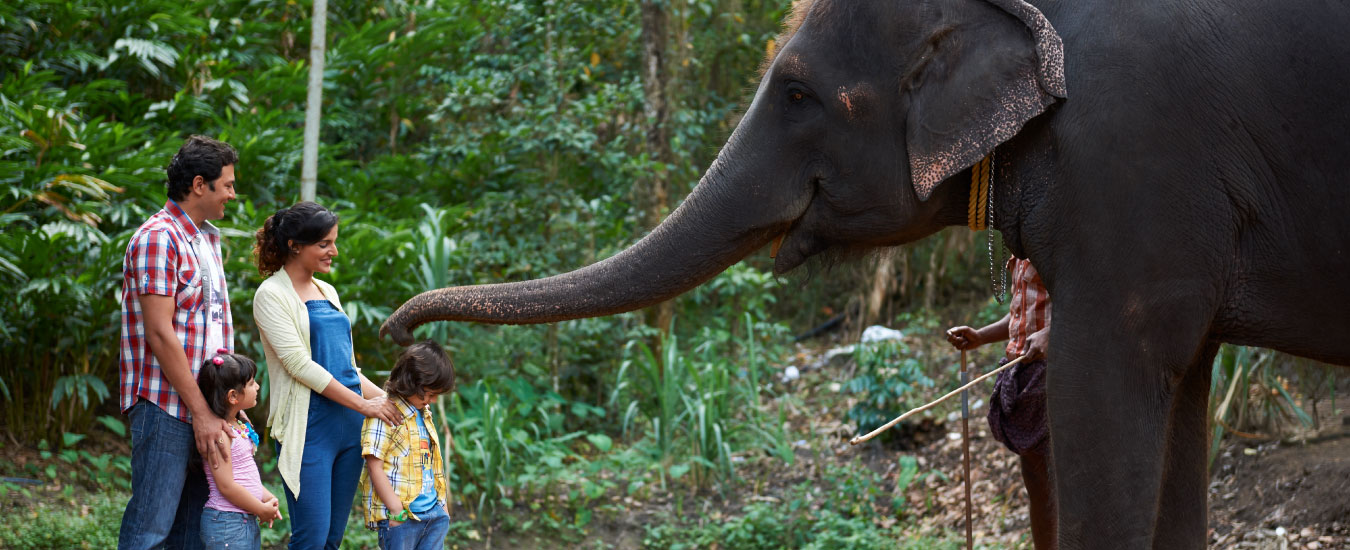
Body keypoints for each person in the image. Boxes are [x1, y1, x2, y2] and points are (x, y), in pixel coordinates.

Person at [251, 201, 401, 550]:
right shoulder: (271, 295)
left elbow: (347, 368)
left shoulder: (327, 291)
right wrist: (366, 407)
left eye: (333, 241)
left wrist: (391, 401)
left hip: (348, 427)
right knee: (311, 538)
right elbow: (299, 365)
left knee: (332, 539)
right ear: (295, 245)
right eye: (324, 244)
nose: (334, 251)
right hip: (309, 431)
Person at [119, 135, 239, 550]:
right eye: (227, 185)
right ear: (200, 185)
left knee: (193, 533)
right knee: (151, 530)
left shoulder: (207, 239)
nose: (233, 194)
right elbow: (159, 333)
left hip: (204, 406)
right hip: (166, 406)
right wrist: (201, 411)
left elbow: (212, 332)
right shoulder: (158, 237)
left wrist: (221, 407)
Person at [945, 256, 1056, 550]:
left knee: (1062, 483)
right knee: (1038, 484)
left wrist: (1051, 334)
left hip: (1056, 377)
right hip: (1022, 373)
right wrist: (980, 337)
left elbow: (1089, 301)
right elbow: (1022, 314)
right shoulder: (1022, 250)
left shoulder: (1059, 239)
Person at [359, 341, 455, 550]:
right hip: (403, 519)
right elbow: (374, 466)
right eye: (429, 394)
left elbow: (430, 463)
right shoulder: (385, 414)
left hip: (433, 514)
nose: (432, 401)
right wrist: (395, 510)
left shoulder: (424, 414)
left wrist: (443, 506)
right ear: (411, 382)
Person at [196, 350, 284, 550]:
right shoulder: (219, 435)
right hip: (227, 522)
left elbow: (243, 476)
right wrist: (260, 509)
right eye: (252, 383)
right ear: (233, 396)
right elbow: (226, 486)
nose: (258, 387)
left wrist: (266, 496)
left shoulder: (238, 425)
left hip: (242, 520)